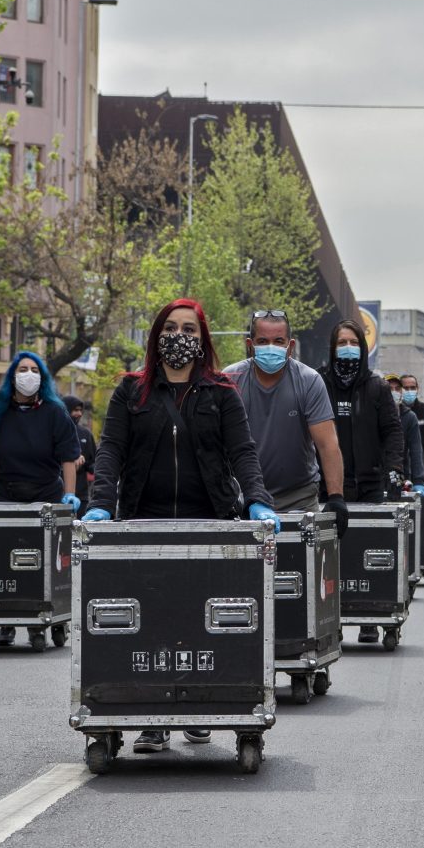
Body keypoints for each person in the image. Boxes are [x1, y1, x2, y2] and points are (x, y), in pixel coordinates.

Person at [82, 298, 277, 753]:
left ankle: (201, 705)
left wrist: (258, 502)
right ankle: (152, 720)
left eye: (189, 329)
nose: (179, 336)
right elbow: (110, 450)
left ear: (202, 338)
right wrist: (101, 504)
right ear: (156, 335)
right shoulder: (131, 391)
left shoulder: (222, 392)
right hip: (142, 522)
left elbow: (243, 452)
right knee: (148, 619)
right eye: (171, 327)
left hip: (207, 521)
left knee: (197, 619)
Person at [0, 351, 80, 646]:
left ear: (42, 378)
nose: (28, 374)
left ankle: (38, 622)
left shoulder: (56, 413)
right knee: (5, 559)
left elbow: (69, 458)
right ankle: (7, 623)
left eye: (34, 369)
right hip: (7, 491)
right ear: (12, 377)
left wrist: (70, 496)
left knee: (38, 561)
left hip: (46, 492)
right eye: (22, 369)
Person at [222, 310, 350, 538]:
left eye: (278, 341)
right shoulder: (230, 380)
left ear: (290, 346)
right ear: (250, 344)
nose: (270, 347)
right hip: (243, 498)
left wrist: (336, 498)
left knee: (305, 570)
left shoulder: (309, 381)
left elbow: (328, 444)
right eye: (263, 341)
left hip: (298, 498)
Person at [316, 320, 404, 505]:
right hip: (324, 486)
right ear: (333, 347)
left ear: (363, 347)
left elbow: (392, 431)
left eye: (354, 343)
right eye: (342, 343)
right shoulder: (317, 383)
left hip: (369, 486)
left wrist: (394, 468)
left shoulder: (378, 386)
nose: (348, 347)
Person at [384, 375, 424, 495]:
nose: (394, 392)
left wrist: (418, 480)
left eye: (397, 388)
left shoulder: (409, 417)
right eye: (389, 388)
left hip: (399, 472)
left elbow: (416, 450)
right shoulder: (373, 414)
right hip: (376, 474)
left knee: (399, 508)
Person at [63, 394, 97, 504]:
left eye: (80, 410)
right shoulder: (54, 432)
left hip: (81, 496)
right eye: (75, 410)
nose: (79, 414)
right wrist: (70, 460)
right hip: (57, 494)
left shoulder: (86, 434)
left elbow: (93, 463)